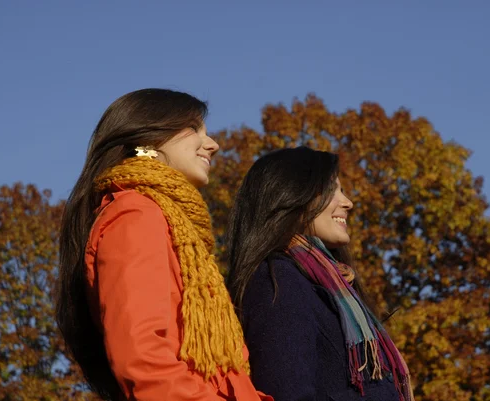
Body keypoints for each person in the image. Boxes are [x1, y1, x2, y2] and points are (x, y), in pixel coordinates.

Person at [56, 88, 271, 401]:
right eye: (195, 129)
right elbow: (144, 362)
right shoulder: (135, 214)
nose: (213, 144)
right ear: (149, 136)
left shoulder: (167, 221)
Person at [226, 146, 414, 401]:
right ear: (291, 196)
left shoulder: (336, 286)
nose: (348, 202)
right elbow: (287, 392)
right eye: (330, 190)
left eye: (343, 190)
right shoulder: (278, 280)